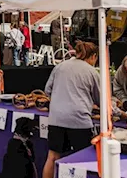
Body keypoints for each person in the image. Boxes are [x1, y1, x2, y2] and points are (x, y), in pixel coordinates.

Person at [42, 41, 100, 178]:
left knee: (52, 156)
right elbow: (101, 100)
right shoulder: (92, 72)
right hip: (79, 120)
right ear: (94, 56)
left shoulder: (60, 67)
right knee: (82, 159)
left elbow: (47, 90)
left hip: (56, 119)